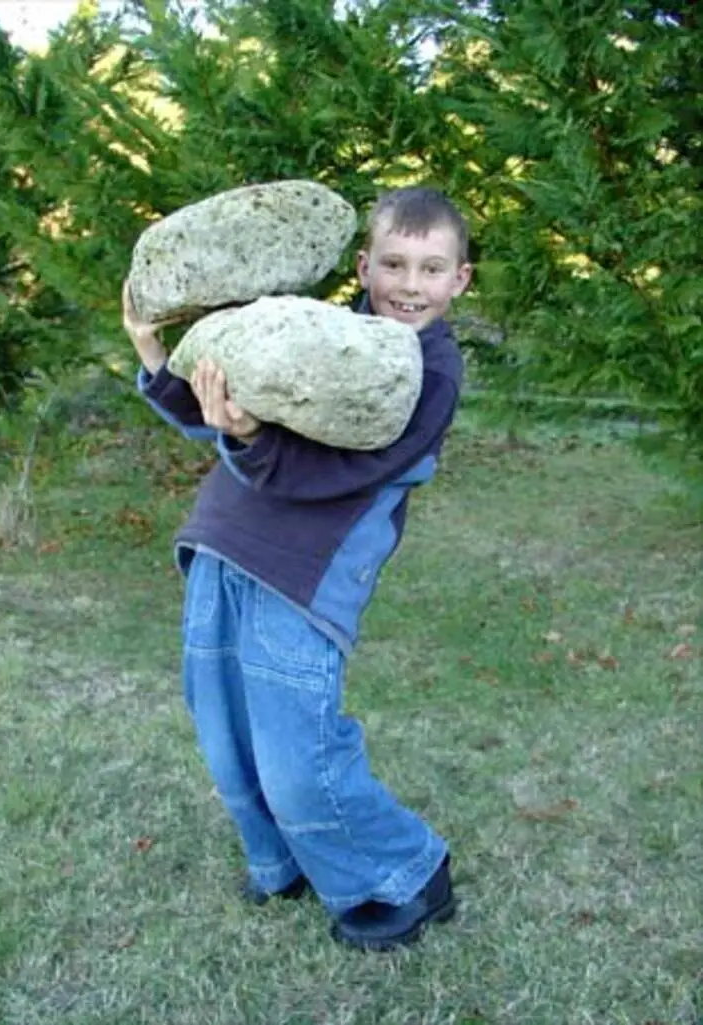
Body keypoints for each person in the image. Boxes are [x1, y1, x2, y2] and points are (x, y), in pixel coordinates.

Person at [122, 185, 472, 951]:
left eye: (430, 267)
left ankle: (407, 873)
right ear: (362, 264)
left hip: (304, 576)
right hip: (223, 540)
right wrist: (153, 348)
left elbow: (341, 473)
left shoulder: (426, 374)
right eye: (392, 263)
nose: (409, 283)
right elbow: (217, 407)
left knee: (298, 753)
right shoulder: (310, 328)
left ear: (459, 280)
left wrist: (250, 437)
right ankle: (281, 860)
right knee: (228, 732)